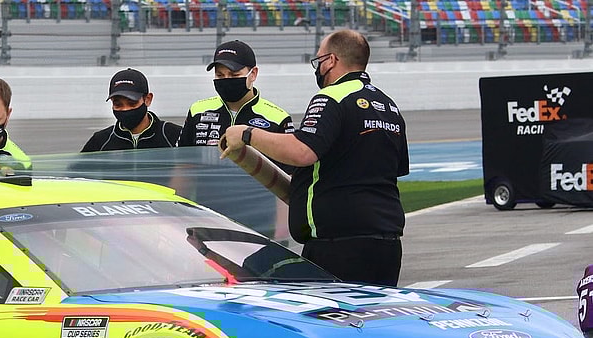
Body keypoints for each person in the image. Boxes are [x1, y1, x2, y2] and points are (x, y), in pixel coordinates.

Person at [219, 29, 409, 287]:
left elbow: (302, 151)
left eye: (318, 60)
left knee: (334, 322)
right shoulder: (388, 105)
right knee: (376, 320)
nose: (317, 68)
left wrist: (247, 134)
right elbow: (392, 170)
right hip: (386, 241)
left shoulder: (331, 97)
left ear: (330, 61)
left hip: (339, 244)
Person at [176, 40, 294, 156]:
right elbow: (180, 162)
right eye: (220, 75)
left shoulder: (278, 118)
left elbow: (289, 171)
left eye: (234, 75)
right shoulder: (197, 110)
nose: (227, 79)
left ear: (253, 74)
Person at [81, 68, 181, 152]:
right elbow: (76, 173)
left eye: (132, 103)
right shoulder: (100, 140)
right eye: (118, 104)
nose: (125, 109)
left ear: (147, 99)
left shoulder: (174, 135)